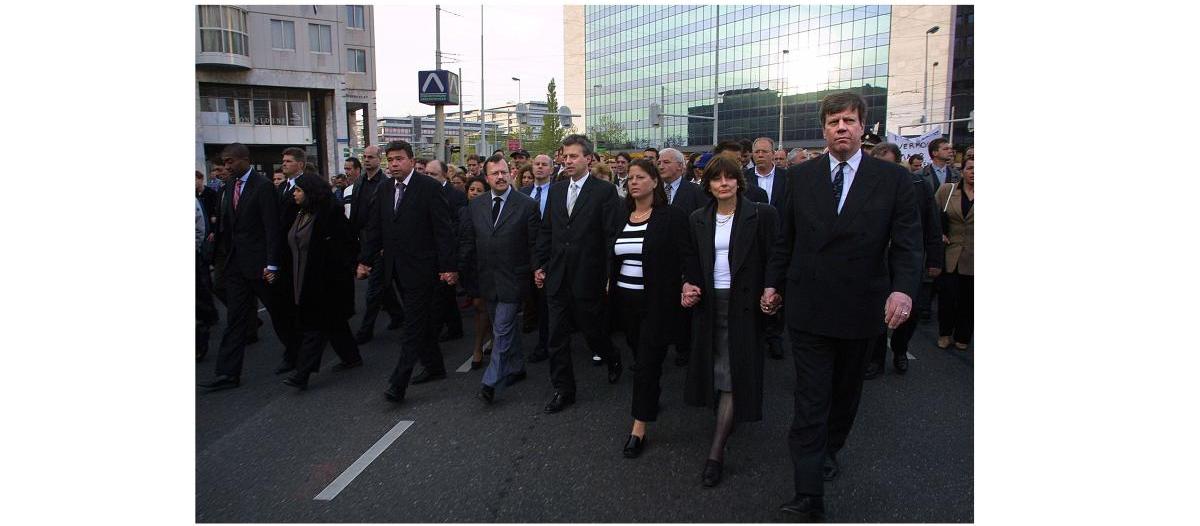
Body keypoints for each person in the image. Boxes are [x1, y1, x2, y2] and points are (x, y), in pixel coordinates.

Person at [763, 92, 923, 521]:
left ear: (862, 127)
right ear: (823, 129)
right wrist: (772, 285)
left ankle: (833, 446)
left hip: (861, 309)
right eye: (833, 121)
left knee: (845, 395)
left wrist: (903, 290)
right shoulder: (800, 177)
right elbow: (785, 241)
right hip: (809, 307)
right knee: (811, 398)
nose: (841, 128)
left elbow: (908, 244)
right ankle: (808, 492)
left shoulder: (892, 180)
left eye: (849, 121)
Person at [679, 154, 778, 487]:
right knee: (715, 368)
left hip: (744, 304)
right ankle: (724, 417)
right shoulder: (697, 218)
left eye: (730, 177)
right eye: (716, 179)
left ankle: (716, 452)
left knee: (734, 372)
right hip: (710, 304)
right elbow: (691, 258)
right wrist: (688, 284)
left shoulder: (762, 215)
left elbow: (774, 256)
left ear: (739, 181)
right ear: (707, 185)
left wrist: (771, 290)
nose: (723, 183)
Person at [356, 140, 458, 403]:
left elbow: (443, 230)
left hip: (424, 270)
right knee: (420, 322)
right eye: (390, 160)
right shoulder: (385, 189)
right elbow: (376, 228)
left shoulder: (429, 188)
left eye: (399, 159)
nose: (394, 164)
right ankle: (435, 366)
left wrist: (448, 267)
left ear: (412, 161)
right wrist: (365, 261)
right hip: (395, 269)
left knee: (412, 326)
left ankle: (398, 383)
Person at [533, 134, 623, 414]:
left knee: (591, 330)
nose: (567, 161)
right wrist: (541, 264)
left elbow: (612, 236)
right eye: (564, 156)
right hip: (557, 275)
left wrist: (610, 274)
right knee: (556, 335)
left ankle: (611, 356)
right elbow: (547, 230)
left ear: (588, 159)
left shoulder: (604, 192)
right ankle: (563, 389)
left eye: (573, 156)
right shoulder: (558, 190)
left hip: (589, 274)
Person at [199, 143, 298, 391]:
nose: (226, 166)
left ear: (244, 159)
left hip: (261, 265)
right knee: (236, 319)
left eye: (230, 161)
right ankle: (227, 373)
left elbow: (271, 228)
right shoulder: (230, 186)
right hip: (236, 265)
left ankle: (295, 353)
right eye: (224, 161)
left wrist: (272, 265)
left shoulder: (262, 186)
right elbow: (228, 227)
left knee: (279, 312)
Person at [611, 159, 690, 459]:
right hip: (625, 302)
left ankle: (638, 428)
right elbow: (614, 253)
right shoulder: (622, 215)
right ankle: (650, 396)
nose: (633, 182)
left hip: (656, 303)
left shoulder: (671, 217)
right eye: (630, 178)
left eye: (641, 177)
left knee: (645, 363)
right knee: (639, 356)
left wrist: (689, 283)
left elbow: (686, 255)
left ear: (655, 182)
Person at [460, 155, 541, 404]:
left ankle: (491, 379)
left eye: (504, 172)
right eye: (495, 173)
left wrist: (537, 270)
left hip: (514, 279)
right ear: (487, 178)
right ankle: (516, 367)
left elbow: (535, 244)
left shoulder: (527, 205)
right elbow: (469, 243)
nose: (500, 177)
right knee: (502, 328)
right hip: (487, 280)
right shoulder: (476, 205)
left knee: (503, 329)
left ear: (511, 174)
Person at [863, 143, 943, 379]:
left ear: (899, 164)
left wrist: (935, 258)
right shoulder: (867, 185)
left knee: (909, 311)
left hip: (907, 260)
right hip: (877, 261)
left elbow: (931, 225)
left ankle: (900, 349)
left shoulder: (918, 186)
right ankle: (875, 358)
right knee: (876, 312)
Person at [281, 173, 364, 390]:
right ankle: (351, 357)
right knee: (335, 324)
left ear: (310, 193)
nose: (294, 194)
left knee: (315, 327)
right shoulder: (299, 213)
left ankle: (303, 373)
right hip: (303, 276)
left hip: (326, 282)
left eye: (298, 190)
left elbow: (346, 246)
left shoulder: (331, 214)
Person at [351, 145, 403, 344]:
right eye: (364, 156)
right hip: (365, 240)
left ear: (378, 159)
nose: (366, 160)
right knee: (386, 285)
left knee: (374, 289)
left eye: (371, 157)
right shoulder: (360, 182)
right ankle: (398, 315)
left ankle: (365, 330)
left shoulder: (386, 183)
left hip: (382, 244)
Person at [658, 148, 706, 368]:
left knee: (683, 306)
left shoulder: (695, 192)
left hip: (684, 256)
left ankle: (684, 347)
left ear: (680, 166)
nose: (661, 165)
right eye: (659, 161)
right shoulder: (655, 191)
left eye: (666, 162)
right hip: (659, 256)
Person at [426, 159, 467, 343]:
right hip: (429, 251)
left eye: (432, 174)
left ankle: (431, 333)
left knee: (440, 295)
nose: (428, 177)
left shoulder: (456, 196)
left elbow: (459, 226)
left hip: (448, 252)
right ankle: (454, 328)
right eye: (426, 174)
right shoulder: (422, 193)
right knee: (445, 295)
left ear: (445, 175)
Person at [935, 158, 974, 350]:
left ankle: (963, 336)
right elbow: (932, 216)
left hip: (974, 256)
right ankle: (944, 333)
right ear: (963, 170)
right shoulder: (947, 191)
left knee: (970, 300)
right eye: (970, 168)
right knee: (948, 298)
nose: (974, 172)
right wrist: (939, 233)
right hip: (951, 253)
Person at [520, 154, 554, 362]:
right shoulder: (523, 192)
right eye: (536, 164)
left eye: (544, 164)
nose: (539, 167)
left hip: (547, 253)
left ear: (551, 169)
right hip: (524, 252)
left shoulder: (558, 192)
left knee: (545, 302)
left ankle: (545, 344)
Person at [460, 176, 494, 369]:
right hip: (470, 265)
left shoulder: (491, 211)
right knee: (479, 305)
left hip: (489, 264)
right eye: (471, 189)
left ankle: (479, 348)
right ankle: (484, 342)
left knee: (485, 305)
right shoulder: (463, 212)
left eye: (479, 190)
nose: (474, 193)